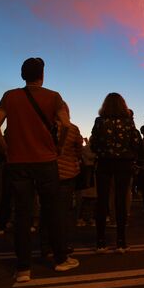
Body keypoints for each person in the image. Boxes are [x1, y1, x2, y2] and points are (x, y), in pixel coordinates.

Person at [0, 57, 79, 282]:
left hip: (18, 163)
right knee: (53, 211)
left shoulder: (10, 96)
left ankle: (23, 269)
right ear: (42, 75)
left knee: (22, 214)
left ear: (22, 75)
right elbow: (66, 125)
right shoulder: (53, 97)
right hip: (46, 161)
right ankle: (60, 260)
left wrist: (7, 150)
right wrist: (58, 147)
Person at [90, 93, 141, 253]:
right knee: (120, 201)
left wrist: (102, 152)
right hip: (124, 163)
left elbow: (94, 143)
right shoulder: (128, 122)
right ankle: (121, 241)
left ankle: (100, 241)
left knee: (102, 201)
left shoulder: (100, 121)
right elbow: (135, 142)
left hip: (104, 163)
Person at [41, 102, 83, 255]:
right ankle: (62, 245)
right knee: (64, 212)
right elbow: (79, 149)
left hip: (46, 173)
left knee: (46, 210)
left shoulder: (43, 127)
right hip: (67, 174)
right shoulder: (72, 129)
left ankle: (45, 246)